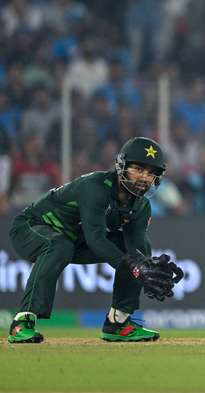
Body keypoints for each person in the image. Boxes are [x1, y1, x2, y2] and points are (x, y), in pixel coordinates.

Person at [7, 136, 184, 343]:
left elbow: (135, 250)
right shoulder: (95, 186)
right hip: (31, 228)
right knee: (58, 246)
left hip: (72, 238)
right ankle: (22, 322)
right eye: (137, 169)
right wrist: (135, 268)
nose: (144, 177)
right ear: (122, 167)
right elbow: (96, 239)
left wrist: (143, 267)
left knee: (140, 252)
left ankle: (118, 323)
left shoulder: (141, 207)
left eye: (150, 172)